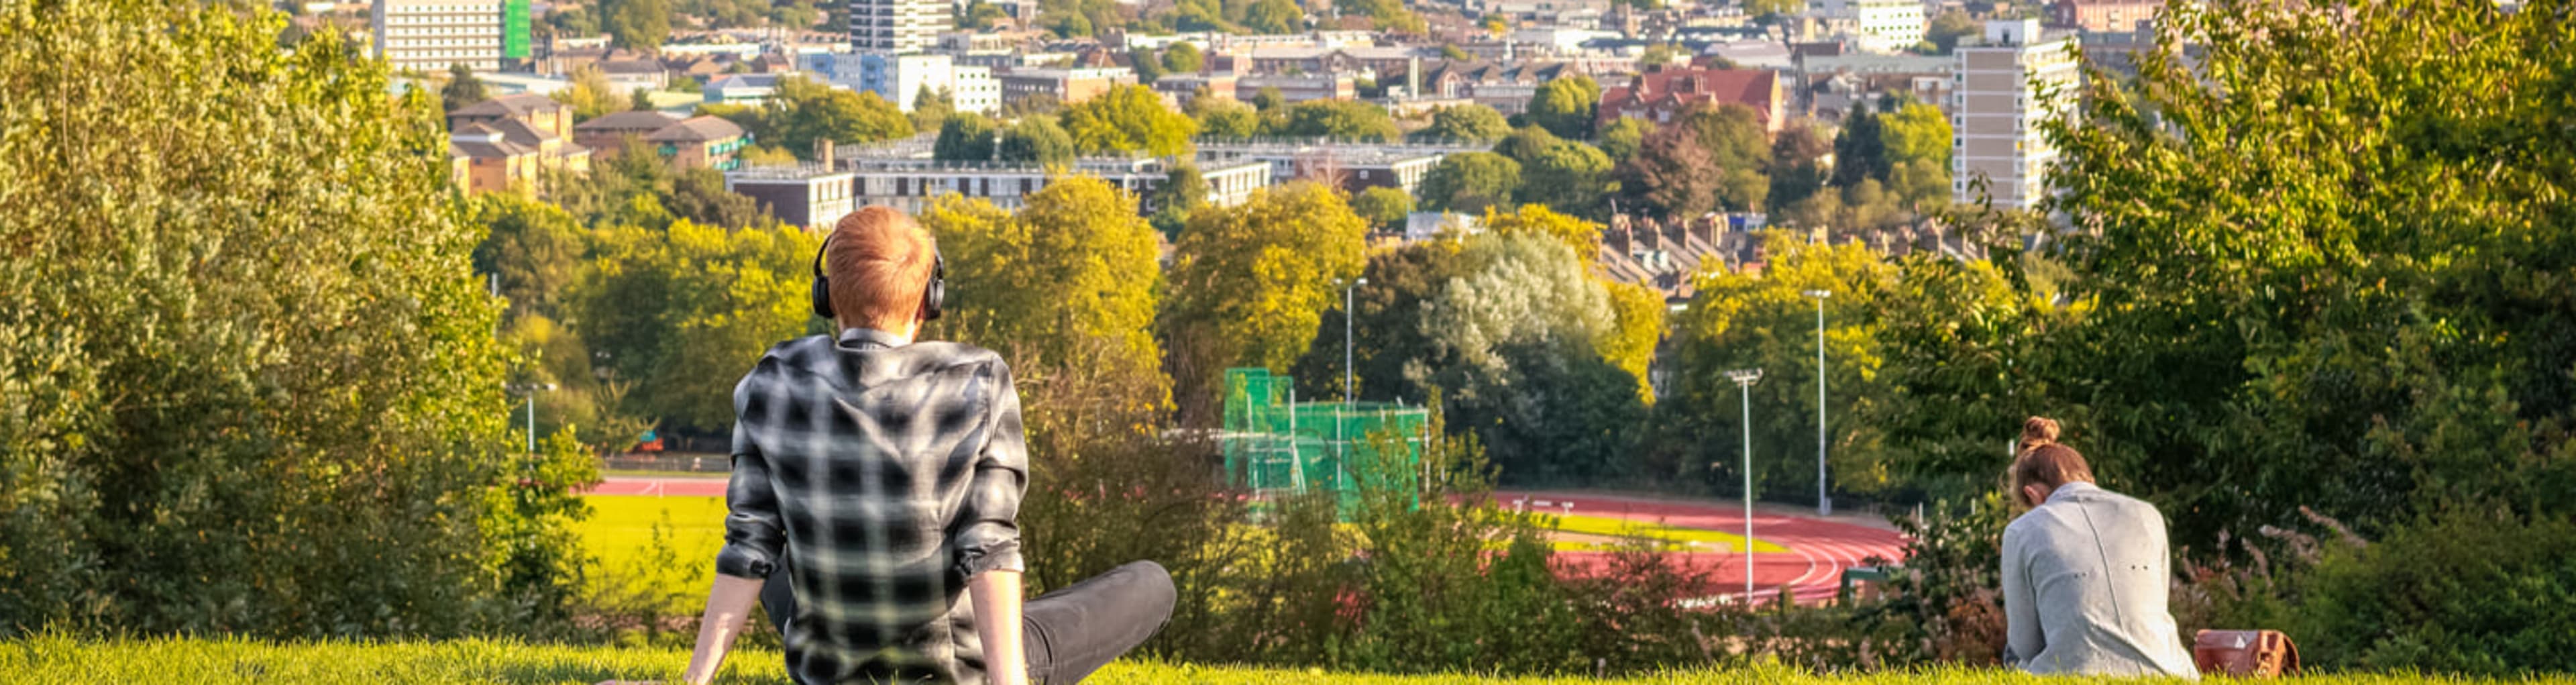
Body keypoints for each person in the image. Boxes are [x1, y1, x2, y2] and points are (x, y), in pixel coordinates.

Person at [670, 207, 1174, 685]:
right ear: (928, 301)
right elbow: (989, 547)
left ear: (826, 295)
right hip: (954, 667)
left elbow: (749, 546)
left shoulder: (772, 381)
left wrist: (696, 680)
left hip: (827, 666)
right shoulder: (977, 382)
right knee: (1151, 582)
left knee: (771, 552)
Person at [2000, 417, 2199, 678]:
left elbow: (2025, 644)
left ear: (2033, 495)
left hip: (2074, 673)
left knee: (2013, 657)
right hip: (2168, 672)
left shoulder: (2022, 531)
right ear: (2090, 480)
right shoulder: (2147, 515)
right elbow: (2156, 604)